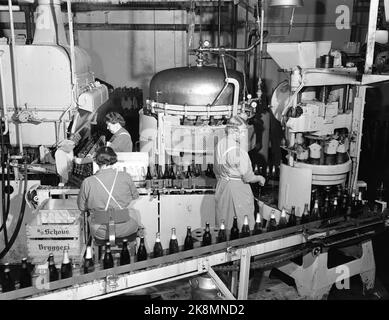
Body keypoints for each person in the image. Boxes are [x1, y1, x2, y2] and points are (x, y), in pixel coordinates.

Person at [214, 116, 266, 229]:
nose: (243, 135)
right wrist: (259, 178)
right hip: (237, 191)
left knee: (225, 223)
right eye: (242, 131)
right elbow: (247, 177)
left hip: (222, 187)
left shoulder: (221, 144)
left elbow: (216, 170)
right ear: (232, 130)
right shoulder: (238, 151)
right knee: (243, 224)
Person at [77, 147, 140, 241]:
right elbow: (135, 197)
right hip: (126, 228)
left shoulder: (88, 182)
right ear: (114, 159)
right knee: (134, 212)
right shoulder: (126, 176)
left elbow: (81, 207)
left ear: (95, 160)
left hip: (101, 231)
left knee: (91, 218)